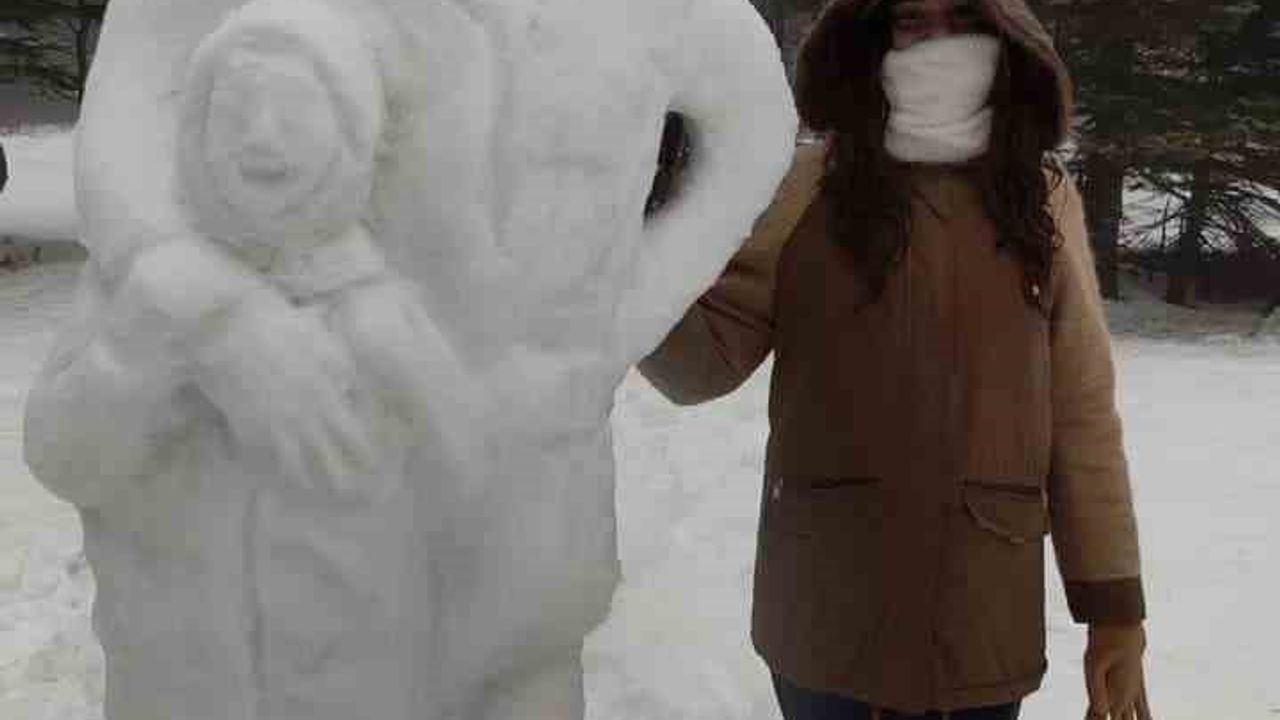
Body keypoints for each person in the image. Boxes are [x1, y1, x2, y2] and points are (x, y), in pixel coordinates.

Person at [638, 1, 1151, 719]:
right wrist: (640, 220)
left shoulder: (1041, 201)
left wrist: (1114, 606)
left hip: (982, 620)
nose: (939, 43)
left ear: (1001, 37)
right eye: (913, 20)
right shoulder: (808, 185)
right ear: (873, 37)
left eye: (961, 19)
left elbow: (1082, 415)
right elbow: (701, 364)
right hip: (826, 623)